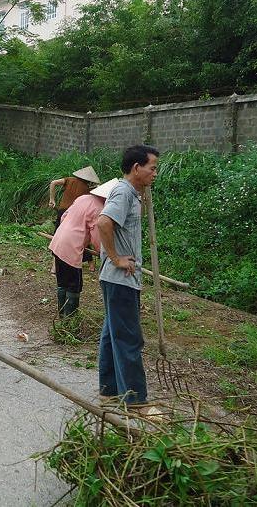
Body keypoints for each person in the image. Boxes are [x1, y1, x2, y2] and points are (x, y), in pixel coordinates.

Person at [96, 145, 159, 411]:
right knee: (129, 338)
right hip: (120, 276)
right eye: (152, 168)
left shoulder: (132, 193)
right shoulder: (122, 192)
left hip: (117, 279)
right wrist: (116, 257)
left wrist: (142, 194)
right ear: (136, 168)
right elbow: (103, 223)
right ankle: (136, 401)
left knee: (113, 333)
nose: (155, 173)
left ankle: (110, 391)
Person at [48, 179, 118, 317]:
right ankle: (70, 319)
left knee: (62, 282)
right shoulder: (99, 209)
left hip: (59, 239)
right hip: (71, 247)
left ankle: (62, 316)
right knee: (74, 285)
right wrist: (102, 251)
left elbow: (64, 217)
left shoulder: (83, 198)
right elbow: (97, 236)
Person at [49, 166, 101, 272]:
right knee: (82, 239)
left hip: (64, 213)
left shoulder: (69, 180)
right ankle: (91, 265)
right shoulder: (87, 190)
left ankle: (54, 266)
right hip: (75, 214)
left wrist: (52, 199)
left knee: (58, 238)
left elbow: (53, 182)